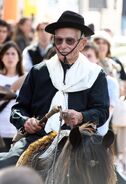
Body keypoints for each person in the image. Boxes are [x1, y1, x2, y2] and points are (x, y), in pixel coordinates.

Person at [0, 10, 109, 168]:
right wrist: (26, 121)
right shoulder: (38, 71)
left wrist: (81, 116)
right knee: (5, 166)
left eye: (69, 41)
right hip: (36, 140)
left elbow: (102, 112)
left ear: (82, 43)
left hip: (79, 143)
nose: (63, 45)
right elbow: (18, 108)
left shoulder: (95, 74)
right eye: (58, 40)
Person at [82, 42, 120, 135]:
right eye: (82, 57)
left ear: (97, 59)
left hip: (99, 137)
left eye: (89, 56)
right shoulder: (75, 82)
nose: (86, 60)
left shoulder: (110, 82)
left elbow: (106, 112)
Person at [0, 41, 24, 151]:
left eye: (13, 53)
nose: (10, 57)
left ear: (19, 57)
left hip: (19, 133)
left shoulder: (27, 78)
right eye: (7, 53)